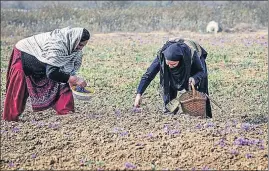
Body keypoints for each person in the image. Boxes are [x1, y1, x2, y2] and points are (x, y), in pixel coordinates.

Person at [2, 26, 90, 121]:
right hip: (26, 53)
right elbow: (52, 73)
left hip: (45, 60)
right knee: (19, 86)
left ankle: (66, 112)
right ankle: (10, 118)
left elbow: (64, 72)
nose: (81, 49)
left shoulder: (73, 47)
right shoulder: (57, 45)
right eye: (80, 45)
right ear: (74, 40)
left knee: (63, 79)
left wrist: (70, 78)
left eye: (83, 46)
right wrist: (74, 79)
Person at [134, 38, 212, 118]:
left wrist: (194, 78)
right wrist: (139, 94)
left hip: (191, 63)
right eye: (168, 64)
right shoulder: (162, 56)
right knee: (168, 80)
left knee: (198, 90)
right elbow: (148, 75)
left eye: (173, 64)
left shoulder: (192, 54)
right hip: (175, 64)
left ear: (181, 60)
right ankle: (170, 112)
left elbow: (201, 72)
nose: (170, 66)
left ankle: (201, 115)